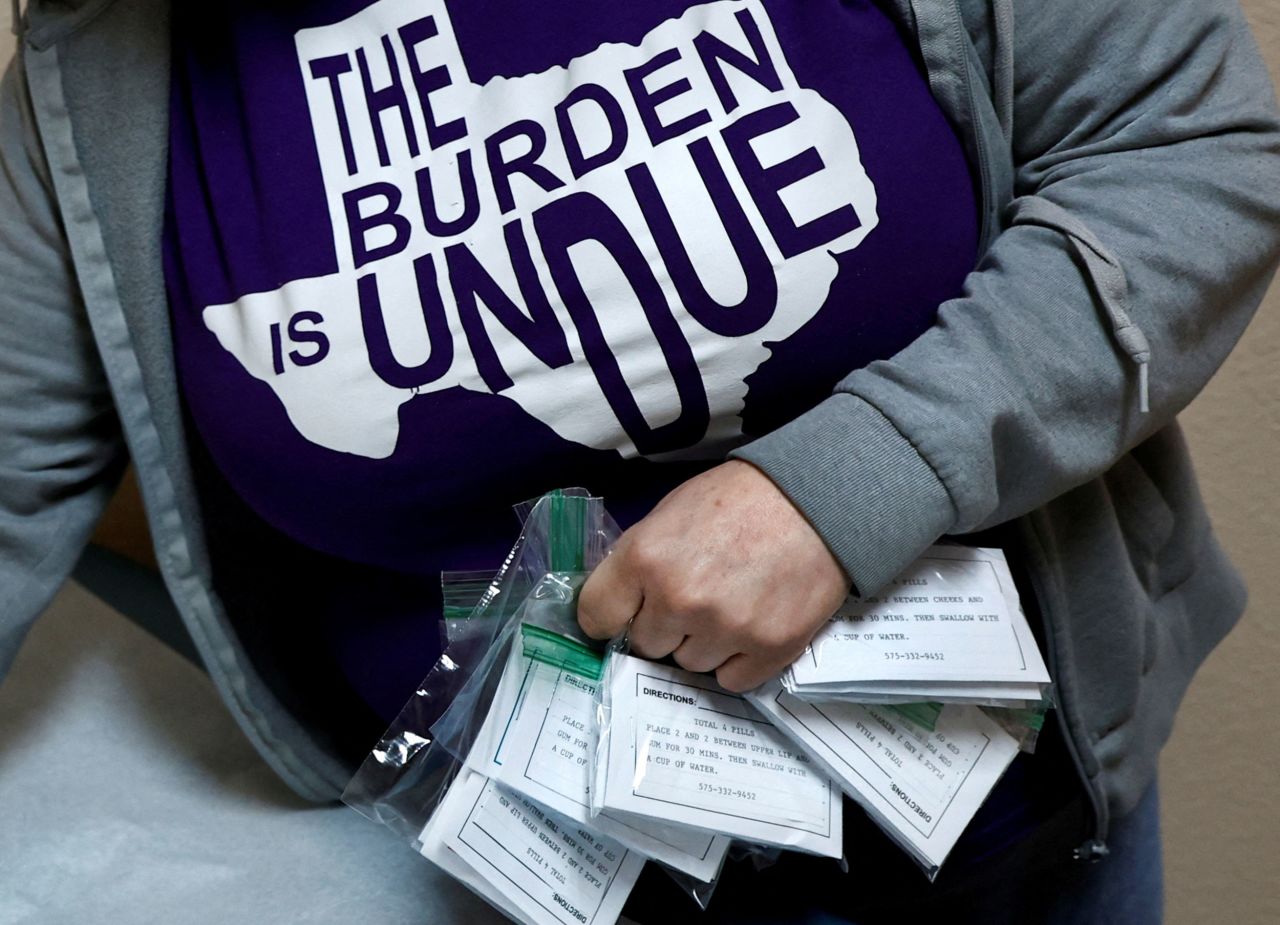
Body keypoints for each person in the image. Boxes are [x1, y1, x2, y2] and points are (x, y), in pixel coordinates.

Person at [1, 0, 1278, 922]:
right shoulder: (94, 73)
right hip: (502, 882)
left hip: (1017, 833)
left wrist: (846, 483)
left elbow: (1189, 152)